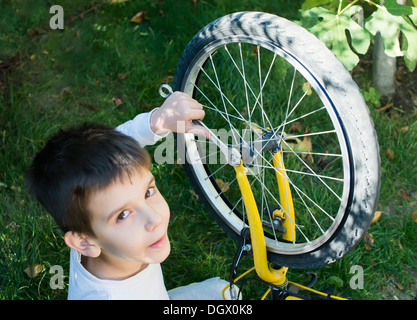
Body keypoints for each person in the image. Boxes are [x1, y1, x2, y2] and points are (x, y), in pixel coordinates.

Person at [25, 91, 230, 300]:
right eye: (122, 215)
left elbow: (113, 150)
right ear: (83, 243)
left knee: (226, 292)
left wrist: (158, 121)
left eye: (148, 192)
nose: (155, 218)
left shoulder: (90, 222)